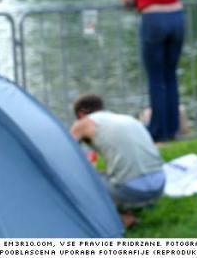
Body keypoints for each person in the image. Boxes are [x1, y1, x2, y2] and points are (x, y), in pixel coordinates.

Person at [113, 0, 184, 141]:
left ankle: (157, 131)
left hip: (153, 18)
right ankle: (173, 128)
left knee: (155, 78)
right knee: (170, 75)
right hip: (177, 16)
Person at [70, 94, 165, 228]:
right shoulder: (126, 118)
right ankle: (128, 206)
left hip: (132, 191)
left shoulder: (84, 123)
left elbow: (64, 154)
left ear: (80, 114)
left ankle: (123, 219)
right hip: (159, 187)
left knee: (80, 181)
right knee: (106, 175)